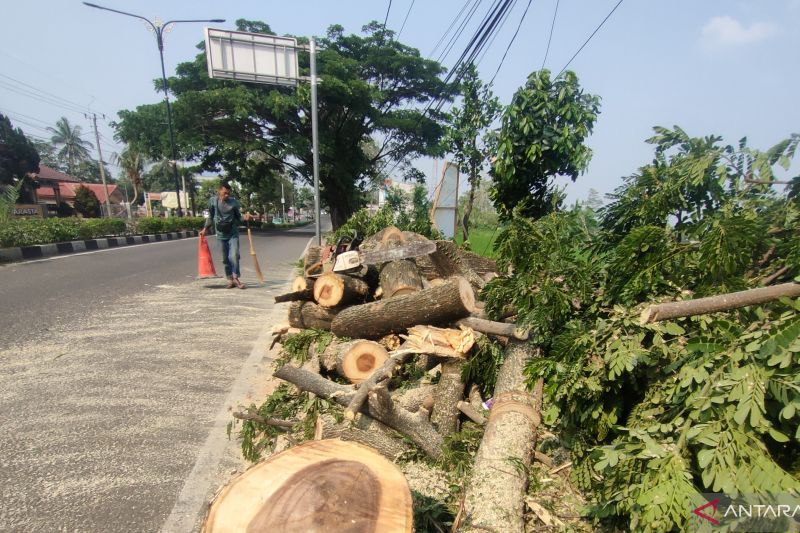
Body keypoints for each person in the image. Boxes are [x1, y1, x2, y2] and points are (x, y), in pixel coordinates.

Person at [199, 182, 251, 289]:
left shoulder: (234, 203)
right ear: (219, 191)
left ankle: (236, 277)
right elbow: (210, 216)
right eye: (225, 193)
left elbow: (238, 218)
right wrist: (205, 229)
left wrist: (245, 218)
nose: (227, 195)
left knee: (234, 255)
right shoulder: (213, 201)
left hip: (232, 233)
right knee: (225, 259)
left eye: (228, 193)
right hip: (220, 234)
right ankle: (230, 279)